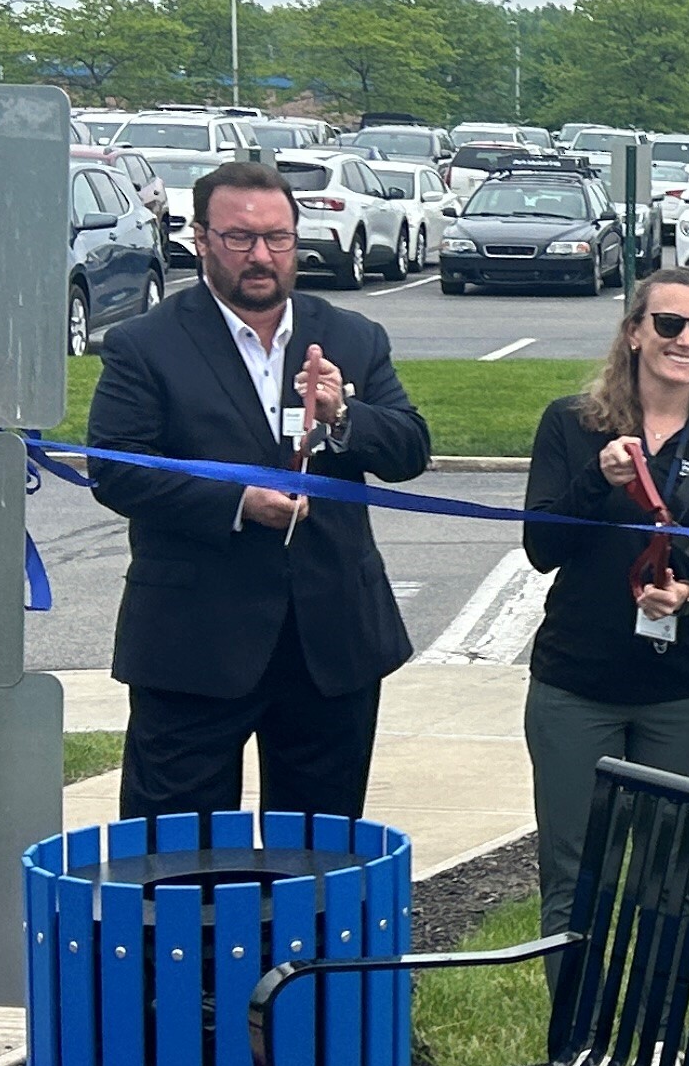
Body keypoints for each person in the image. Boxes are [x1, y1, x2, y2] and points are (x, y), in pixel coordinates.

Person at [85, 155, 433, 824]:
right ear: (201, 240)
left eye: (277, 238)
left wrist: (342, 418)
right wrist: (237, 504)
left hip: (330, 644)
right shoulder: (145, 345)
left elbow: (409, 450)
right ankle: (191, 935)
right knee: (174, 858)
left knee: (319, 858)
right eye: (239, 238)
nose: (261, 255)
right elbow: (118, 468)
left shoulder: (351, 336)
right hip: (193, 645)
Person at [516, 271, 689, 930]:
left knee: (674, 881)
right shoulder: (573, 424)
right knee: (573, 876)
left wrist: (684, 596)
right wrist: (596, 481)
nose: (685, 340)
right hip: (576, 682)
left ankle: (658, 1035)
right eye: (668, 324)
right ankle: (575, 1033)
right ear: (633, 333)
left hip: (677, 691)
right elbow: (543, 545)